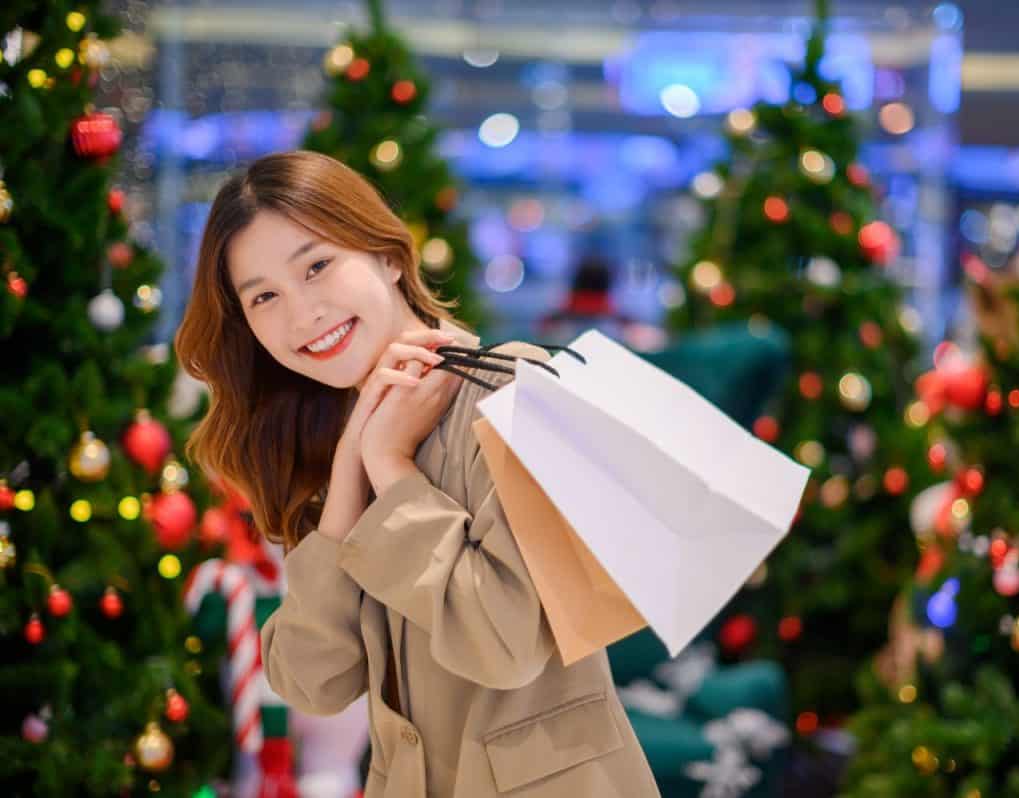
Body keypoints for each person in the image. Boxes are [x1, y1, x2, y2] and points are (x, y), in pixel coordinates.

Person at [174, 150, 660, 798]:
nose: (301, 314)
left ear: (389, 256)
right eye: (264, 296)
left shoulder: (514, 390)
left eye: (317, 266)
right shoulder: (337, 433)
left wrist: (391, 469)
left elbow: (501, 644)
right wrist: (351, 473)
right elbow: (310, 682)